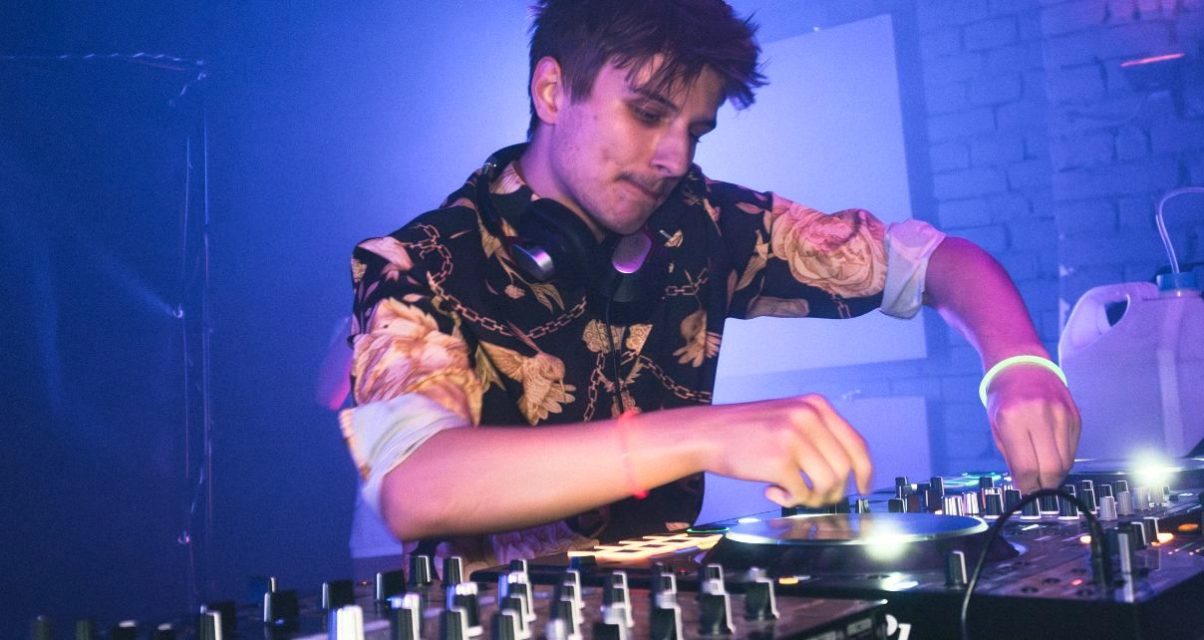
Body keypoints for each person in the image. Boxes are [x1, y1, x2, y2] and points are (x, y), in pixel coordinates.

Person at [339, 0, 1080, 572]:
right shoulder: (418, 263)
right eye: (648, 113)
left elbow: (932, 261)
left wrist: (1017, 362)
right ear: (552, 90)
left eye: (696, 130)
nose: (672, 157)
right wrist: (702, 435)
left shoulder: (705, 221)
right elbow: (413, 484)